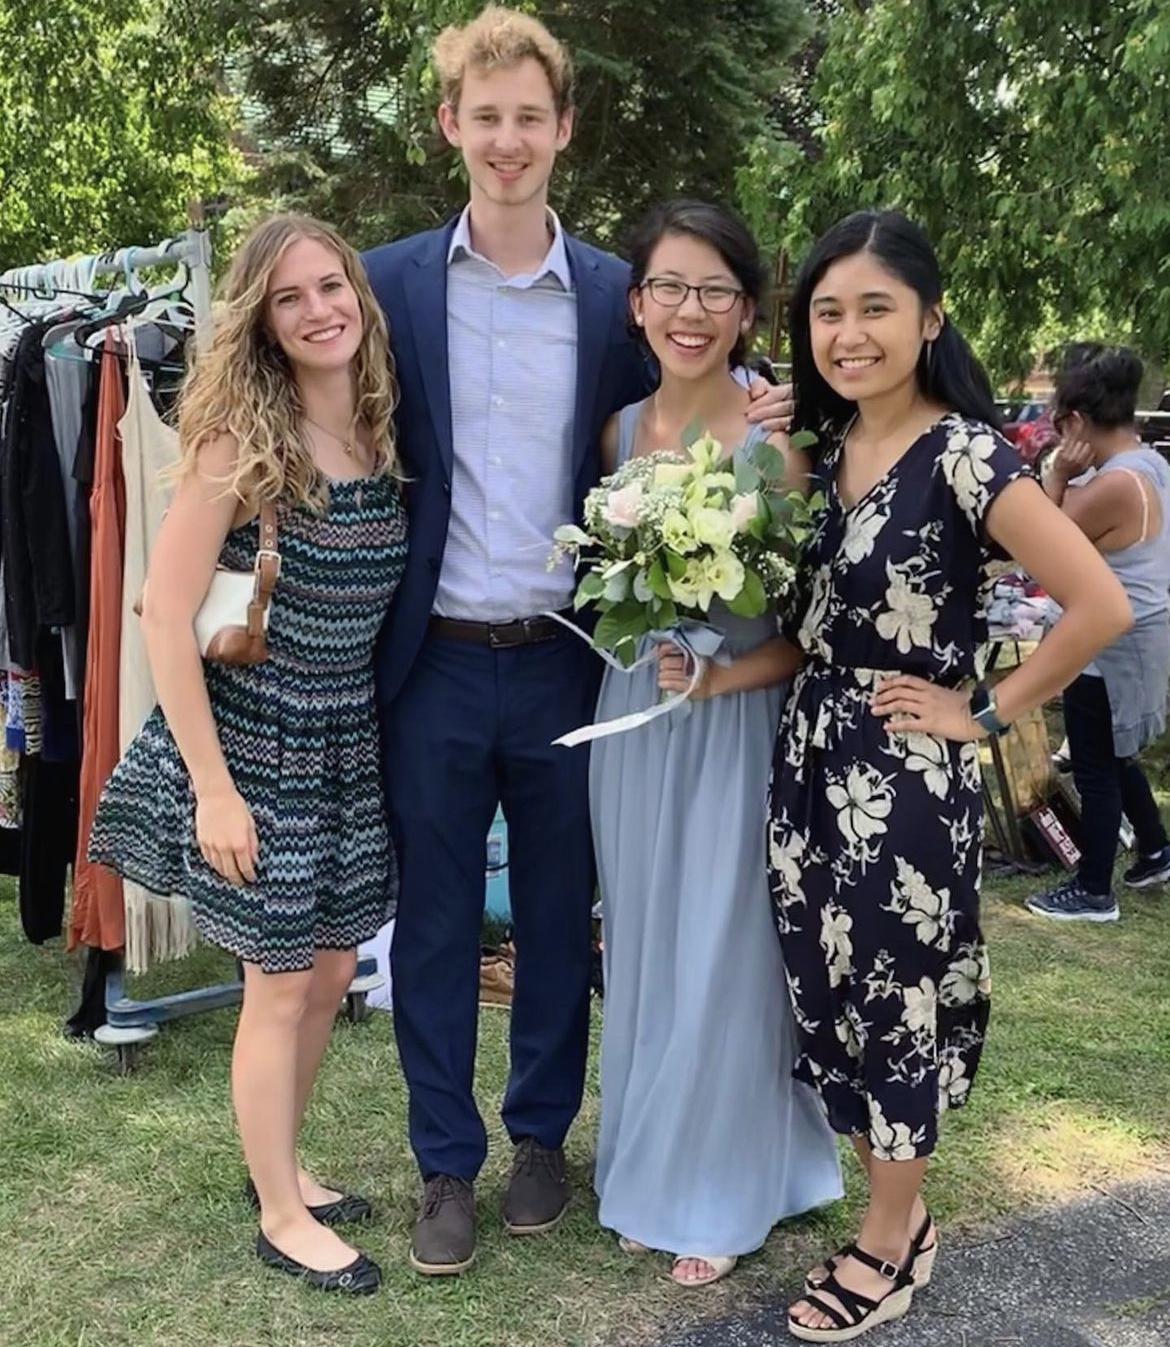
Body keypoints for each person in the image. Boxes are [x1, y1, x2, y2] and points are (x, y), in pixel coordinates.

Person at [361, 6, 791, 1276]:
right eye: (485, 117)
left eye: (530, 118)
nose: (508, 140)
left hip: (569, 658)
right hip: (434, 658)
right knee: (437, 920)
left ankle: (541, 1137)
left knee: (561, 910)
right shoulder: (387, 284)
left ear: (564, 128)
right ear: (451, 125)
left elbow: (689, 392)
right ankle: (446, 1164)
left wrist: (769, 403)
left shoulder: (617, 292)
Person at [766, 209, 1131, 1342]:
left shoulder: (968, 454)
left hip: (904, 772)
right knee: (826, 983)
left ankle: (888, 1241)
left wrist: (982, 713)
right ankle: (899, 1213)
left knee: (896, 994)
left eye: (875, 308)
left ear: (928, 319)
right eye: (828, 311)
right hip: (810, 756)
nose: (849, 333)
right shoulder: (830, 451)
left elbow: (1098, 604)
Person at [88, 214, 408, 1294]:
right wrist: (214, 791)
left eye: (332, 286)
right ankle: (280, 1213)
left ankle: (284, 1165)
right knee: (278, 984)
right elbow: (161, 614)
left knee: (330, 970)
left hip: (345, 740)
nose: (319, 310)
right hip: (257, 745)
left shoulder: (380, 425)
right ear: (262, 322)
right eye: (289, 297)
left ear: (358, 295)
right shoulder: (239, 443)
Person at [589, 200, 843, 1289]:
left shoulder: (777, 444)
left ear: (745, 311)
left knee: (729, 953)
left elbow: (811, 634)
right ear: (636, 302)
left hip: (734, 723)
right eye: (668, 287)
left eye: (714, 292)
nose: (688, 312)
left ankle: (725, 1184)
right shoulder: (615, 433)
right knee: (645, 945)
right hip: (632, 724)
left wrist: (719, 677)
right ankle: (651, 1163)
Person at [1027, 344, 1170, 922]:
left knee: (1094, 765)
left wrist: (1058, 474)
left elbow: (1041, 546)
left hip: (1107, 646)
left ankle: (1093, 891)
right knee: (1116, 754)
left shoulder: (1113, 485)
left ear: (1078, 422)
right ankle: (1155, 851)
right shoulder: (1149, 464)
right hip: (1138, 634)